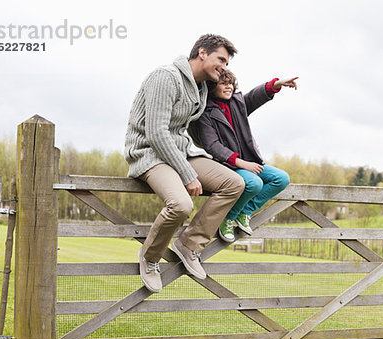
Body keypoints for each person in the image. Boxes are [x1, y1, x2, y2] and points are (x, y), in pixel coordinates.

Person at [124, 34, 245, 293]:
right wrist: (188, 173)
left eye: (226, 62)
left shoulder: (202, 89)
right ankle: (150, 257)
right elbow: (156, 132)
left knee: (234, 183)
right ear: (202, 52)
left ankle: (189, 244)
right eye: (220, 59)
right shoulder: (166, 77)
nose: (224, 67)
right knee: (180, 205)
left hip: (180, 151)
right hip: (149, 152)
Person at [189, 70, 297, 242]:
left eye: (231, 83)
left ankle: (244, 211)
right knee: (254, 183)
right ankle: (228, 218)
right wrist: (241, 163)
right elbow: (213, 146)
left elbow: (255, 96)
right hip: (227, 165)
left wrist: (276, 84)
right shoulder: (205, 113)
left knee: (281, 178)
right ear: (212, 86)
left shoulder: (237, 104)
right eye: (224, 83)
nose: (229, 87)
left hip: (248, 162)